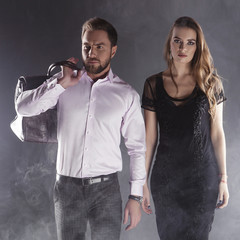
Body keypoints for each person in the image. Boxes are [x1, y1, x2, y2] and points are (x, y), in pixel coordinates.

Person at [15, 17, 146, 240]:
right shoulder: (64, 82)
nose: (91, 53)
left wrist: (135, 198)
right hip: (67, 189)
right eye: (87, 46)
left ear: (113, 51)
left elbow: (137, 148)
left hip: (107, 190)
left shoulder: (126, 94)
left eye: (99, 47)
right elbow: (23, 108)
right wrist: (59, 85)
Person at [141, 16, 229, 240]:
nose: (183, 47)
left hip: (202, 180)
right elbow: (149, 139)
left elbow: (217, 135)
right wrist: (141, 181)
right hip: (166, 180)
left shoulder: (211, 83)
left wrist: (224, 179)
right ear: (169, 43)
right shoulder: (153, 84)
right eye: (178, 41)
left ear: (198, 47)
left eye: (190, 42)